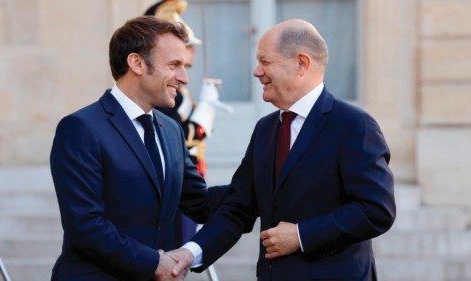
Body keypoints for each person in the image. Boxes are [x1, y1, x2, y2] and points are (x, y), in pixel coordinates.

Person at [167, 19, 396, 281]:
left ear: (301, 63)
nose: (256, 72)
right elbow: (238, 207)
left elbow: (377, 210)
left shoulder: (354, 125)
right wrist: (189, 253)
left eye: (265, 62)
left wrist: (301, 235)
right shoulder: (266, 129)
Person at [50, 16, 227, 281]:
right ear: (137, 63)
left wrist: (259, 181)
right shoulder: (81, 128)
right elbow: (85, 224)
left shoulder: (171, 130)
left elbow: (199, 203)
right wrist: (154, 262)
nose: (184, 77)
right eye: (174, 65)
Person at [144, 0, 223, 249]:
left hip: (187, 183)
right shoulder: (163, 93)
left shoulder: (177, 91)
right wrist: (207, 110)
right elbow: (187, 135)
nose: (183, 75)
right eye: (174, 65)